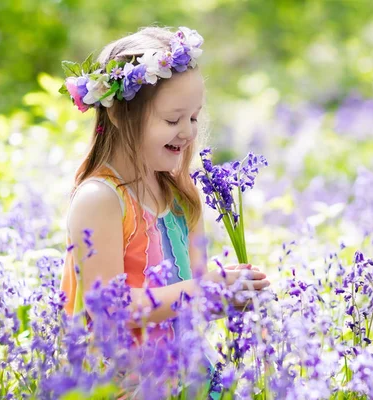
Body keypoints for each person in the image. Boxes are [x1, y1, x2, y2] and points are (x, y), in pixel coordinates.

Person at [59, 26, 270, 393]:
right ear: (120, 116)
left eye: (194, 118)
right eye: (173, 120)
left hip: (184, 372)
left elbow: (188, 294)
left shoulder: (178, 194)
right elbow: (109, 308)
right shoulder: (101, 199)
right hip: (125, 382)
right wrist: (204, 290)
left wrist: (230, 291)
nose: (188, 132)